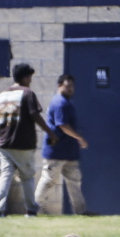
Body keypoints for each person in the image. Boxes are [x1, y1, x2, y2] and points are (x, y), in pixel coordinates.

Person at [0, 63, 58, 218]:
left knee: (5, 175)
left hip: (4, 143)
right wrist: (51, 133)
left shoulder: (2, 95)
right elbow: (36, 116)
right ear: (25, 77)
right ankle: (30, 210)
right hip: (23, 143)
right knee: (27, 176)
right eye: (30, 77)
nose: (31, 81)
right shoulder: (28, 94)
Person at [35, 73, 88, 215]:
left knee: (74, 183)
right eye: (67, 86)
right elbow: (63, 125)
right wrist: (79, 138)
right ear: (59, 86)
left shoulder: (66, 102)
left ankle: (80, 212)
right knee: (48, 180)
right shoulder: (60, 103)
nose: (71, 89)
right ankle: (35, 209)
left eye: (72, 86)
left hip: (69, 152)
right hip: (56, 151)